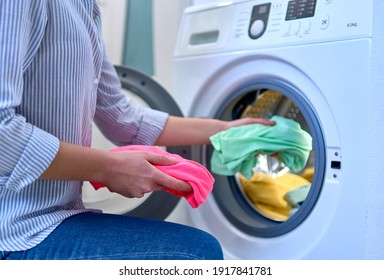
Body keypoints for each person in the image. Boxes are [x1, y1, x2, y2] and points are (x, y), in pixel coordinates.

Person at [0, 1, 273, 260]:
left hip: (53, 216)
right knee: (197, 255)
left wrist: (226, 131)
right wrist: (107, 167)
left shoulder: (84, 7)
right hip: (13, 230)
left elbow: (120, 115)